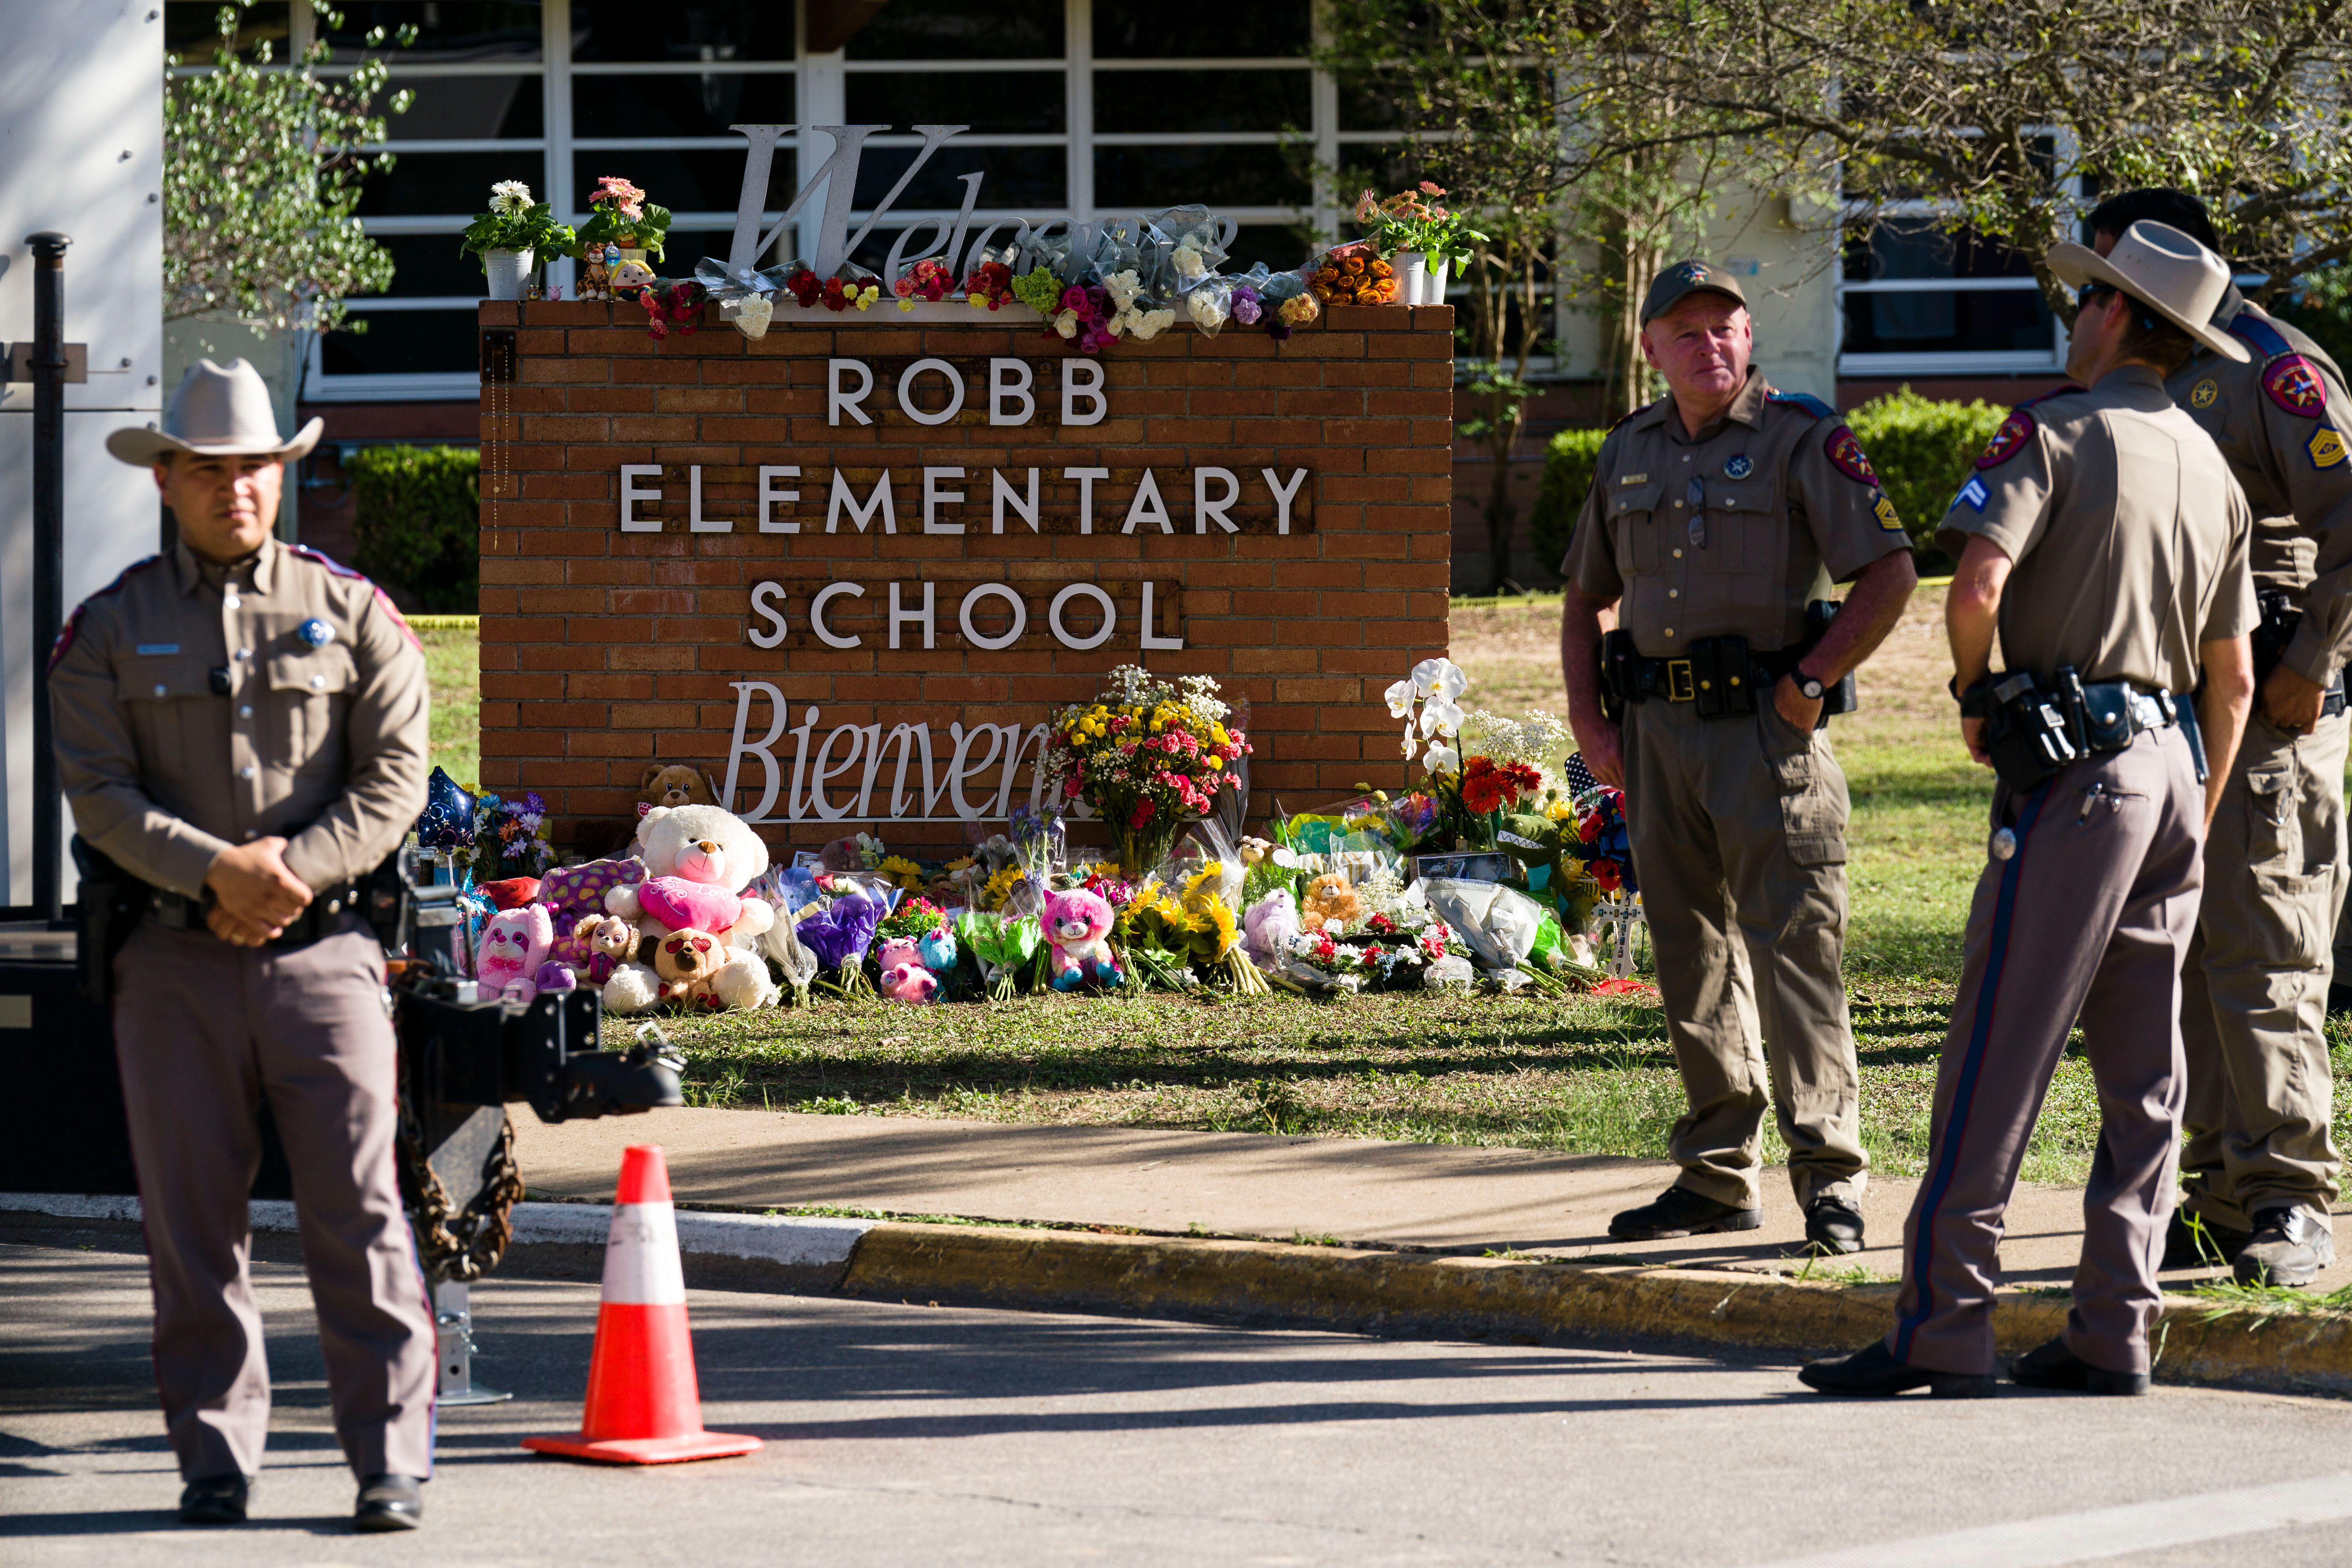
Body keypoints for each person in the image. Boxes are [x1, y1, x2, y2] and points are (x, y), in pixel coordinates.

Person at [1801, 223, 2257, 1399]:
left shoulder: (2054, 430)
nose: (2073, 314)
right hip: (2172, 770)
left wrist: (1972, 694)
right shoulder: (2213, 468)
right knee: (2147, 1079)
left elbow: (1980, 583)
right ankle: (2117, 1326)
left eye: (2088, 299)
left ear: (2117, 318)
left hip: (2079, 778)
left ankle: (1944, 1325)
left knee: (2001, 1048)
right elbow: (2238, 676)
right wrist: (2195, 811)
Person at [47, 360, 437, 1527]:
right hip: (172, 963)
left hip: (325, 960)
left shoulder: (355, 611)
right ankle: (216, 1457)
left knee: (360, 1210)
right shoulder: (112, 626)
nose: (237, 490)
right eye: (209, 470)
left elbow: (399, 775)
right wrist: (217, 871)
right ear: (166, 479)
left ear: (283, 472)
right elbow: (98, 791)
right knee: (191, 1218)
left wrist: (289, 874)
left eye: (256, 468)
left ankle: (388, 1461)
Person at [1560, 261, 1920, 1254]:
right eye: (1686, 331)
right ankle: (1717, 1176)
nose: (1708, 346)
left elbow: (1889, 573)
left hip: (1770, 737)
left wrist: (1810, 681)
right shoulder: (1626, 448)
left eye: (1725, 328)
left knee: (1796, 959)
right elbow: (1586, 596)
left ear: (1750, 338)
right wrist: (1594, 729)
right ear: (1650, 348)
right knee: (1693, 961)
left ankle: (1833, 1179)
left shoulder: (1802, 438)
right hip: (1655, 739)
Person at [2084, 189, 2352, 1287]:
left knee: (2266, 955)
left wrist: (2311, 666)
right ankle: (2217, 1196)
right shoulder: (2128, 378)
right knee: (2178, 957)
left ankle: (2292, 1200)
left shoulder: (2272, 371)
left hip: (2274, 708)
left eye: (2106, 274)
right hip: (2165, 710)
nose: (2093, 301)